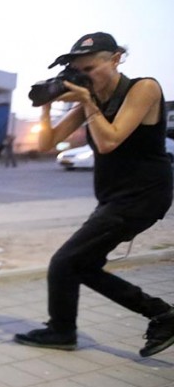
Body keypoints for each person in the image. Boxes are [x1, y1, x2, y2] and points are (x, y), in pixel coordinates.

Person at [14, 32, 174, 357]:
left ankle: (62, 330)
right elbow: (47, 144)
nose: (84, 76)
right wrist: (46, 107)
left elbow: (109, 141)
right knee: (81, 265)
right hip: (116, 198)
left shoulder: (143, 88)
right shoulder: (94, 99)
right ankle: (162, 315)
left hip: (144, 194)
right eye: (79, 70)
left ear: (115, 59)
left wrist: (86, 102)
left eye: (90, 68)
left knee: (63, 262)